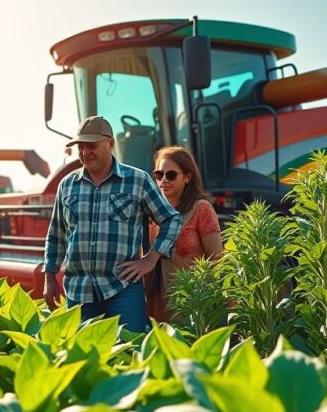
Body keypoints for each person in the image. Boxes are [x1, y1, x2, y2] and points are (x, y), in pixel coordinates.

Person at [43, 115, 183, 333]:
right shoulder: (67, 185)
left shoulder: (138, 180)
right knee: (84, 361)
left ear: (110, 144)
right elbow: (56, 235)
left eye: (92, 145)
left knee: (129, 352)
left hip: (123, 290)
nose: (84, 152)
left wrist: (151, 258)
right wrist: (49, 277)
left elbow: (171, 218)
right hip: (79, 293)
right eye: (80, 146)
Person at [147, 146, 224, 321]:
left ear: (187, 177)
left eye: (171, 175)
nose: (163, 180)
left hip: (197, 306)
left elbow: (217, 261)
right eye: (159, 174)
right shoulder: (152, 215)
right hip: (163, 308)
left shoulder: (201, 209)